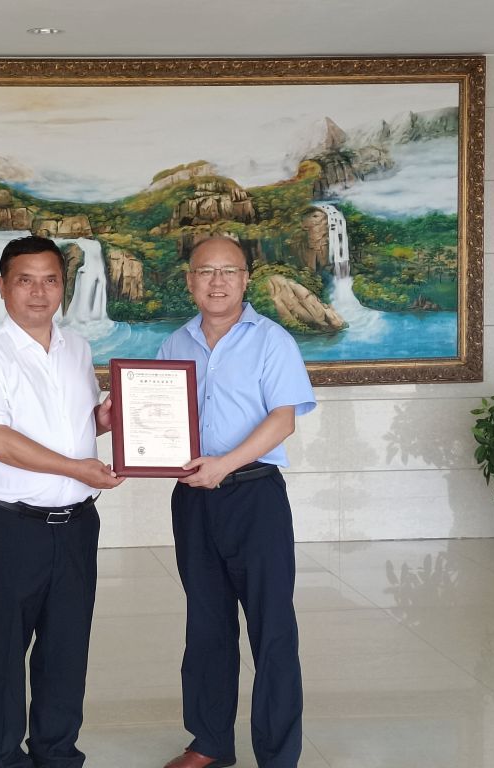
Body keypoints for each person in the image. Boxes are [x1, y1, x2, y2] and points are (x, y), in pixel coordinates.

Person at [0, 235, 123, 768]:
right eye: (25, 280)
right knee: (1, 653)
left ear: (63, 287)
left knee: (66, 650)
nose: (38, 292)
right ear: (3, 287)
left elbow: (74, 424)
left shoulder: (78, 349)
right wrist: (77, 468)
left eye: (50, 280)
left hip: (76, 525)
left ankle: (56, 753)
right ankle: (2, 759)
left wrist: (102, 421)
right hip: (10, 529)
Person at [157, 237, 316, 768]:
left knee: (272, 627)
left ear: (247, 279)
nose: (218, 281)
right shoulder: (172, 346)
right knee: (206, 622)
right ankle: (209, 742)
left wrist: (224, 464)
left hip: (255, 496)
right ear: (190, 281)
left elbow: (282, 420)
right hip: (192, 500)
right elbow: (155, 420)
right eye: (206, 271)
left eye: (229, 270)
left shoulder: (273, 341)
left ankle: (277, 754)